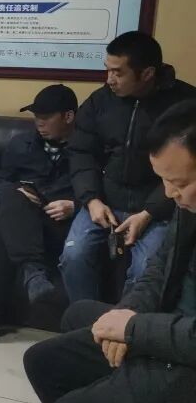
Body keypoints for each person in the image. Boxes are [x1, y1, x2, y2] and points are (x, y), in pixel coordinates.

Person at [1, 100, 196, 403]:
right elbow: (160, 272)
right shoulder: (188, 205)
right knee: (47, 356)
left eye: (181, 182)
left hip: (185, 357)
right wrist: (124, 317)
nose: (171, 195)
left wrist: (134, 327)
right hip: (164, 333)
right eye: (165, 182)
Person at [62, 32, 195, 303]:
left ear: (147, 73)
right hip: (105, 199)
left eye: (118, 72)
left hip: (158, 205)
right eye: (107, 70)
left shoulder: (185, 105)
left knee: (145, 270)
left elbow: (184, 176)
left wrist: (149, 213)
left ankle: (125, 327)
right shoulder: (100, 101)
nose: (109, 79)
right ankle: (88, 323)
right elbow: (81, 151)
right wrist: (91, 199)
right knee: (74, 255)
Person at [0, 85, 78, 350]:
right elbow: (0, 183)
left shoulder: (86, 148)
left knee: (1, 234)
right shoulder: (21, 144)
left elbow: (100, 191)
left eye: (46, 117)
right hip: (20, 218)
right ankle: (32, 270)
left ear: (68, 116)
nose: (39, 123)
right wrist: (21, 193)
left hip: (60, 224)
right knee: (12, 200)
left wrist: (74, 205)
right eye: (36, 117)